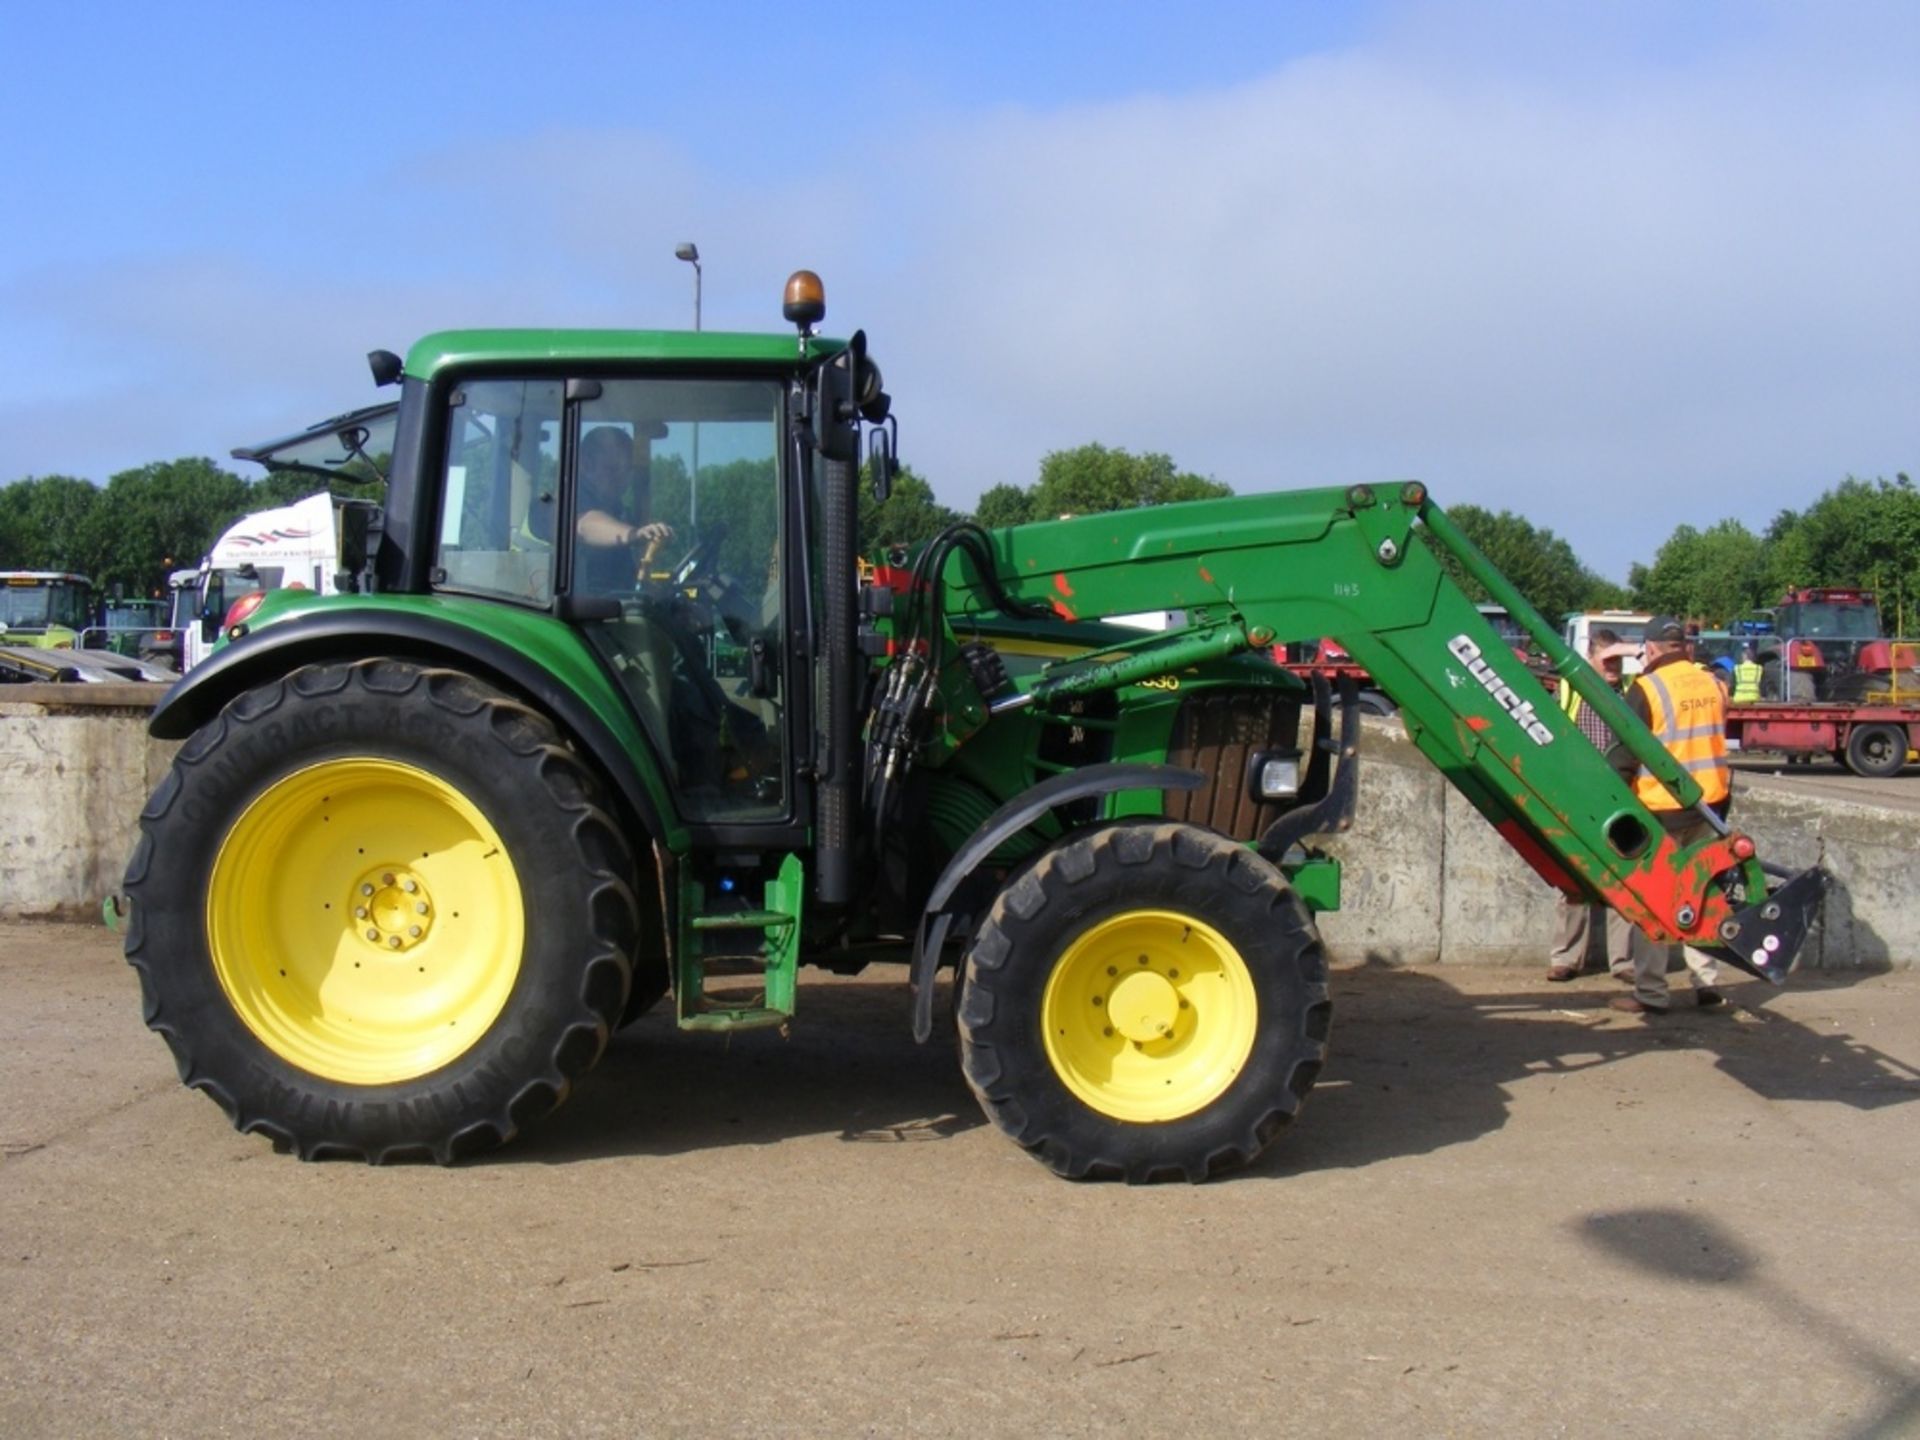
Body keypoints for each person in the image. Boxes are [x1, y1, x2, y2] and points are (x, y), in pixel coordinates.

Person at [1608, 614, 1732, 1015]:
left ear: (1653, 649)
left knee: (1655, 899)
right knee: (1704, 891)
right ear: (1682, 646)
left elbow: (1626, 752)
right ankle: (1707, 981)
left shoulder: (1647, 688)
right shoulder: (1713, 684)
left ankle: (1652, 992)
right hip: (1710, 806)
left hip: (1660, 811)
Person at [1546, 628, 1638, 983]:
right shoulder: (1570, 688)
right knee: (1573, 878)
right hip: (1579, 792)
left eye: (1618, 660)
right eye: (1608, 660)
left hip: (1620, 794)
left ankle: (1624, 963)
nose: (1614, 666)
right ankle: (1566, 958)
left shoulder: (1631, 691)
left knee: (1623, 877)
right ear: (1591, 657)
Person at [575, 424, 672, 591]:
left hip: (606, 607)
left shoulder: (620, 514)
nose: (622, 479)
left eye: (627, 470)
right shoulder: (555, 505)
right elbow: (584, 524)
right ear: (586, 464)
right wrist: (634, 534)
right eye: (612, 469)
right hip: (555, 611)